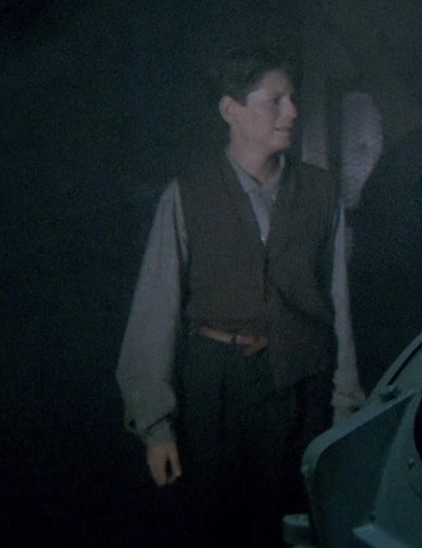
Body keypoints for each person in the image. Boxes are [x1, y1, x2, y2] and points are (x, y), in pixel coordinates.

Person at [116, 47, 350, 546]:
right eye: (275, 100)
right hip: (215, 392)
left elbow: (340, 304)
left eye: (293, 99)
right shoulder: (186, 195)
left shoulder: (320, 191)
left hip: (302, 387)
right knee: (220, 530)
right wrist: (156, 426)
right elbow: (155, 311)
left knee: (297, 529)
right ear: (231, 110)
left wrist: (346, 409)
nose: (292, 112)